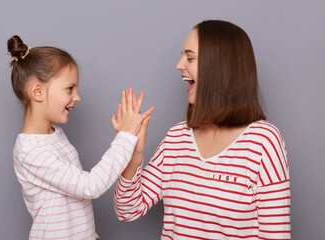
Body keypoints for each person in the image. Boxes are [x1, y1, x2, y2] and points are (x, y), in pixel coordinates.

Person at [114, 20, 291, 239]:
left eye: (190, 58)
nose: (179, 65)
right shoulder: (176, 138)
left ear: (220, 67)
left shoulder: (264, 142)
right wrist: (134, 156)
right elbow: (128, 210)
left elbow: (276, 235)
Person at [9, 35, 154, 239]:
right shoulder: (29, 151)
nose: (77, 97)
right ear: (37, 92)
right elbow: (89, 186)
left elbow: (73, 201)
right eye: (70, 88)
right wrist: (125, 137)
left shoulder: (56, 134)